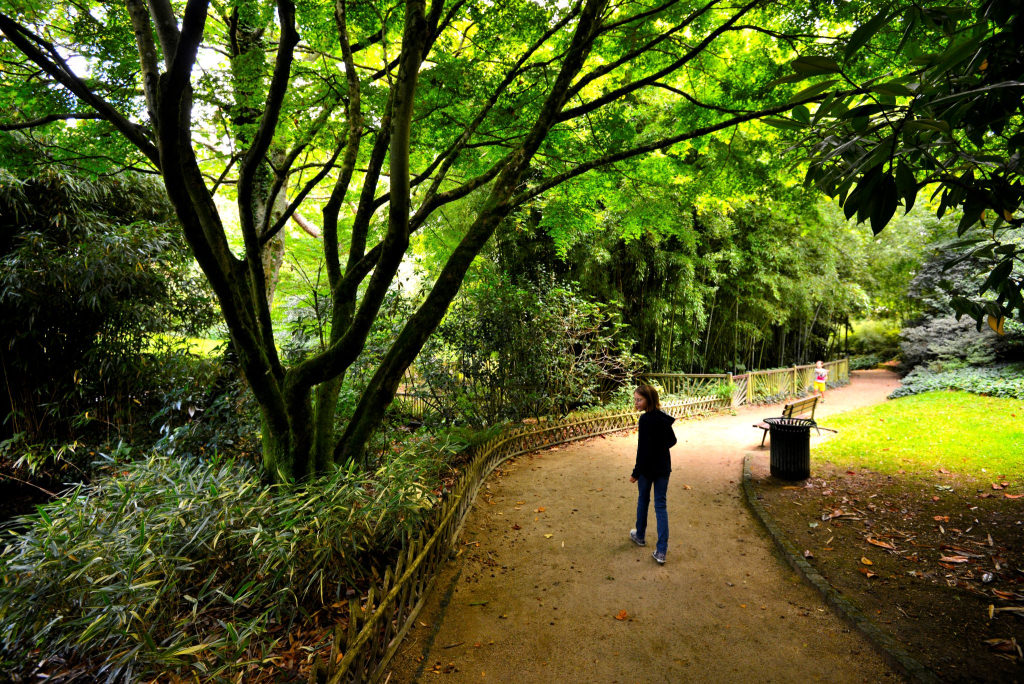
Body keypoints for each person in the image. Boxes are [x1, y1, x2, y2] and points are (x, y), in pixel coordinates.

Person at [628, 384, 677, 564]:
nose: (636, 403)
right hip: (663, 467)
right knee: (660, 506)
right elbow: (672, 440)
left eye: (639, 399)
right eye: (635, 399)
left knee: (644, 500)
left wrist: (635, 473)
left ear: (649, 399)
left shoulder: (646, 420)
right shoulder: (663, 418)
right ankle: (661, 551)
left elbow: (642, 451)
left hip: (647, 470)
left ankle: (640, 536)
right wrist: (659, 448)